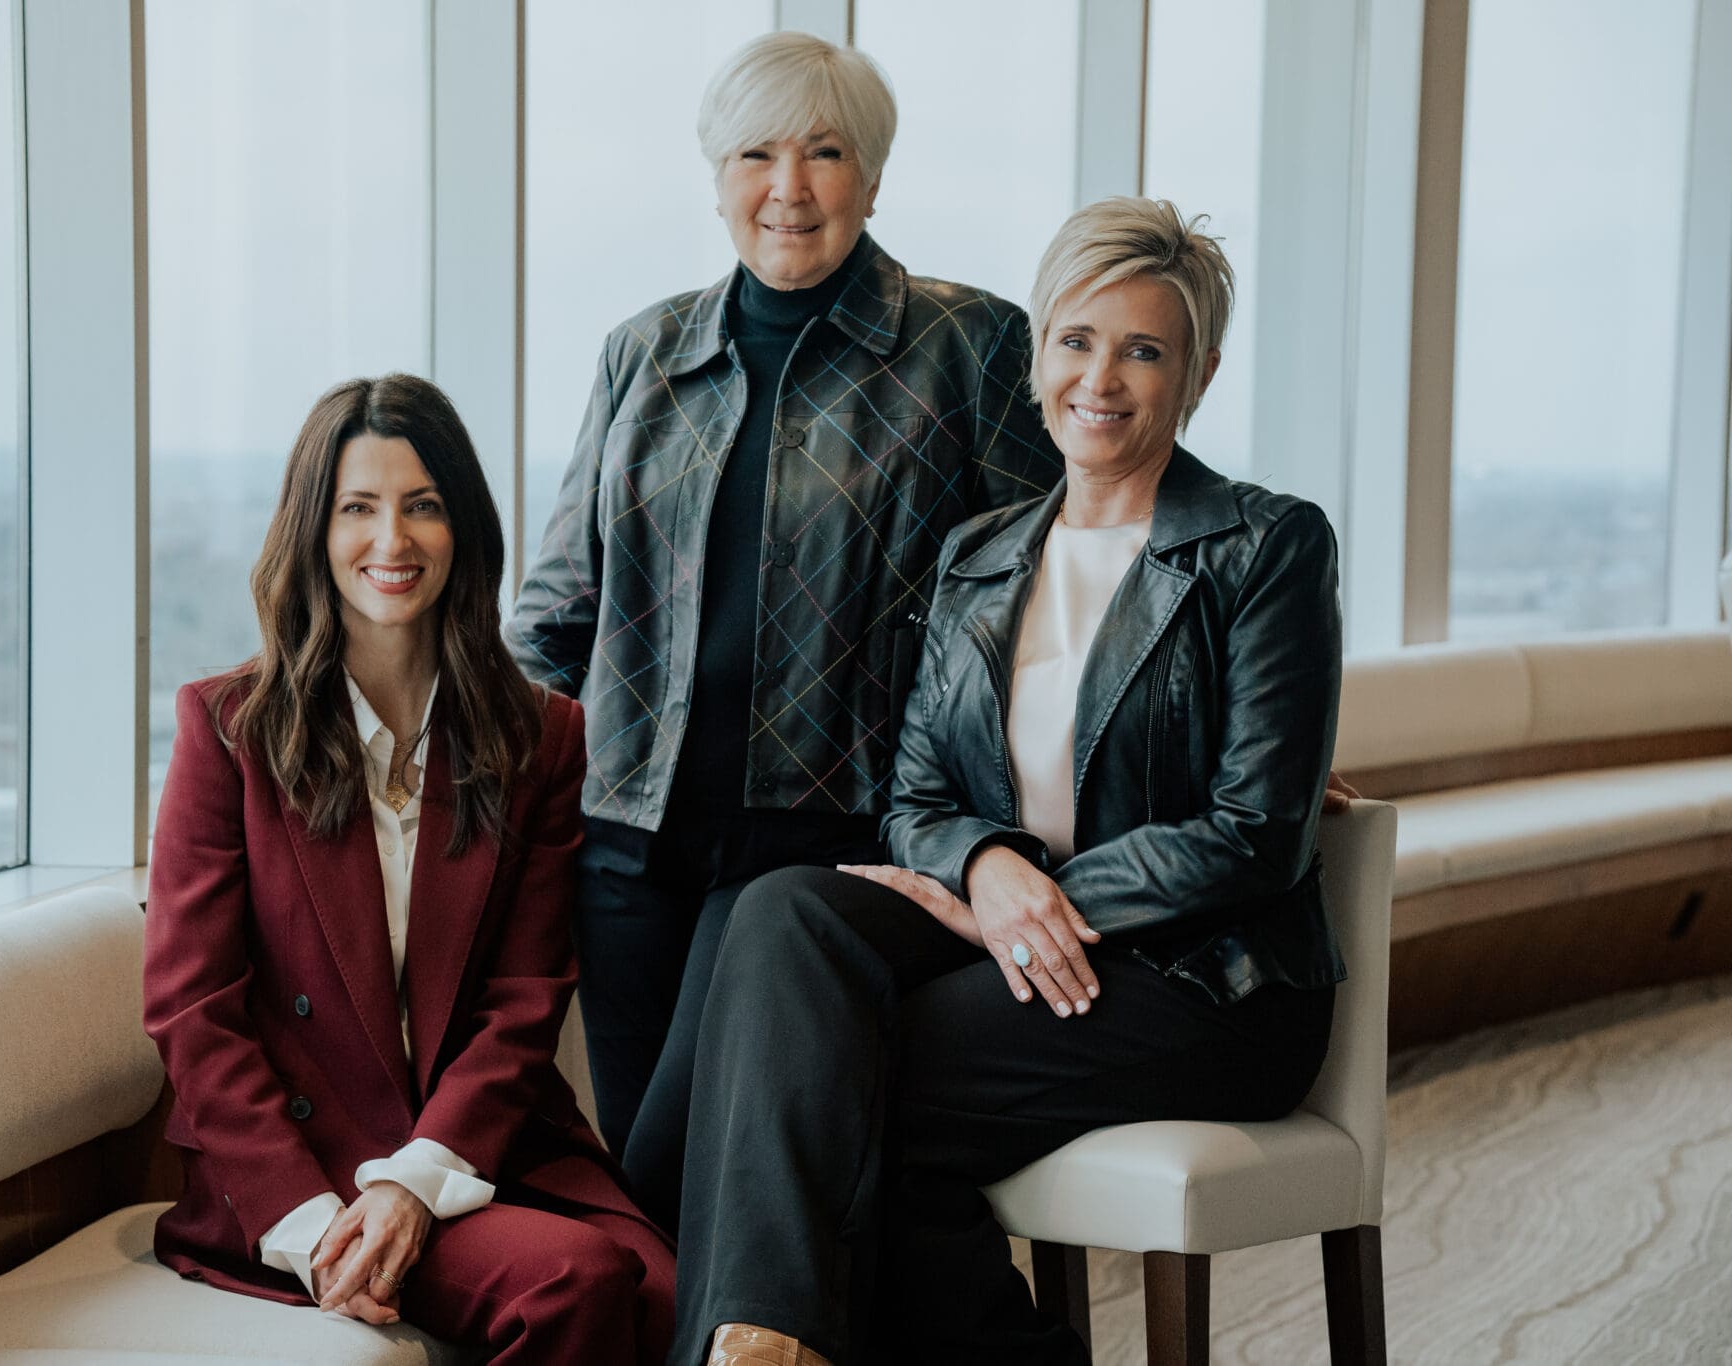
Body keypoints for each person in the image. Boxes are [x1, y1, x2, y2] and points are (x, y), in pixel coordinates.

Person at [671, 198, 1349, 1365]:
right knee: (779, 910)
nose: (1101, 378)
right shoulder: (980, 554)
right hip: (1021, 947)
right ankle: (769, 1343)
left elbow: (1254, 833)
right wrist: (984, 871)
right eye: (1076, 340)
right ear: (1038, 351)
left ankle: (752, 1347)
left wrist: (1036, 900)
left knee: (821, 1086)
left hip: (1203, 981)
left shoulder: (1264, 546)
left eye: (1143, 349)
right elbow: (917, 796)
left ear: (1198, 371)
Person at [508, 31, 1062, 1231]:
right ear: (715, 175)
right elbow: (558, 610)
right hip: (627, 845)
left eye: (824, 152)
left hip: (824, 840)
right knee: (651, 1174)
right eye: (756, 153)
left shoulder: (965, 347)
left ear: (871, 175)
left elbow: (1075, 567)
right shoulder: (643, 353)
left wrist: (1222, 690)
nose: (789, 187)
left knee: (674, 1171)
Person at [145, 375, 675, 1365]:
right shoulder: (228, 730)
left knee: (678, 1293)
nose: (391, 541)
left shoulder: (540, 736)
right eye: (358, 508)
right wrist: (310, 1223)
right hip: (297, 1167)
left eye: (421, 506)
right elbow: (191, 1009)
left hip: (477, 1142)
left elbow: (522, 998)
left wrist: (416, 1177)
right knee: (576, 1283)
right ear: (313, 528)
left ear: (461, 527)